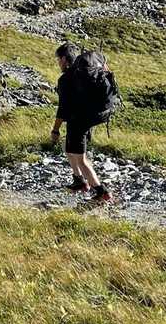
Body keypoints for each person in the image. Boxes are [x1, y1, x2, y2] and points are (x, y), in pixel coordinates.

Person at [50, 42, 119, 203]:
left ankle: (101, 192)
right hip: (95, 114)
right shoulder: (86, 72)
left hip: (81, 119)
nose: (58, 63)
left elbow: (62, 109)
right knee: (69, 147)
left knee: (81, 158)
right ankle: (79, 181)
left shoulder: (66, 79)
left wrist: (55, 130)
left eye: (58, 59)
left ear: (64, 59)